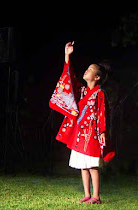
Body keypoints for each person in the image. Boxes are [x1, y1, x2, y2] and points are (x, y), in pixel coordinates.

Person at [49, 41, 115, 204]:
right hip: (80, 134)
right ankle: (87, 194)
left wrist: (103, 132)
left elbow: (102, 114)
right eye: (87, 68)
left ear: (97, 77)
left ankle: (96, 196)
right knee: (83, 166)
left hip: (92, 134)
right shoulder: (82, 90)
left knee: (92, 166)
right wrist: (67, 56)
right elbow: (69, 78)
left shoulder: (99, 94)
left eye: (91, 70)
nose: (87, 71)